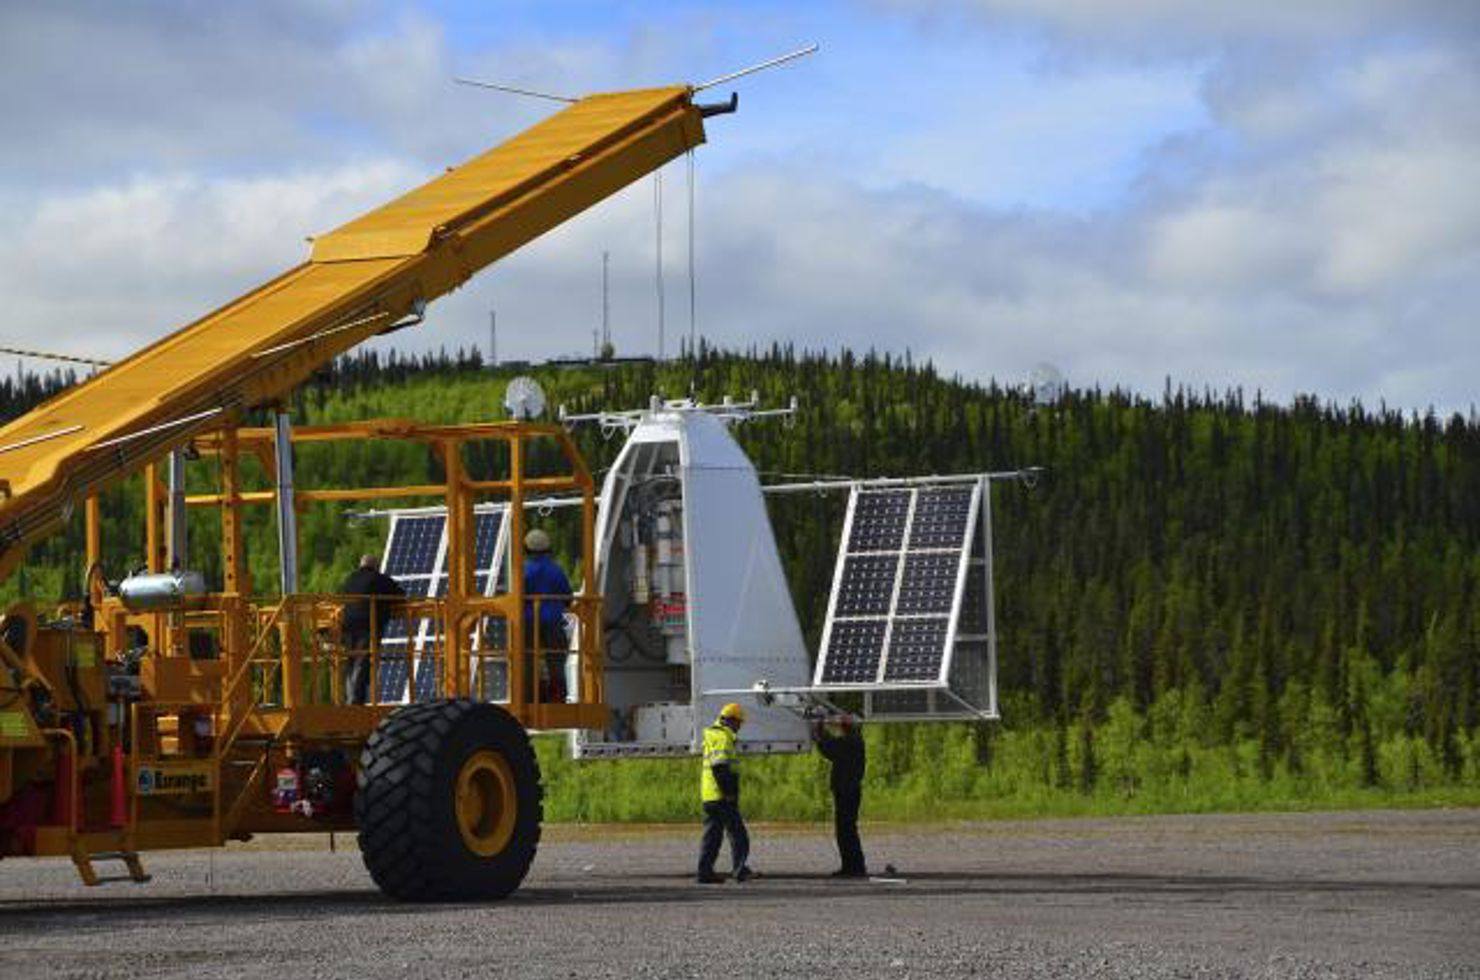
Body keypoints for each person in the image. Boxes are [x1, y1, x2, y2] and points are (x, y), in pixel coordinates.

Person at [697, 702, 756, 884]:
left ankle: (705, 872)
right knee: (738, 834)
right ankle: (740, 870)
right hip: (721, 796)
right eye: (738, 723)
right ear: (730, 721)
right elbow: (720, 768)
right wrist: (729, 793)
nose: (739, 727)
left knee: (712, 836)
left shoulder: (712, 735)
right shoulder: (723, 738)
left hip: (709, 795)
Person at [340, 553, 405, 704]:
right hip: (367, 625)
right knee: (362, 663)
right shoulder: (378, 579)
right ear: (376, 566)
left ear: (360, 565)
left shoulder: (350, 579)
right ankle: (356, 702)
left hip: (348, 626)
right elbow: (400, 595)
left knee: (351, 662)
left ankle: (350, 699)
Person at [813, 711, 868, 878]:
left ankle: (854, 868)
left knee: (846, 831)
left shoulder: (851, 741)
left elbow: (829, 748)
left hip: (847, 791)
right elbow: (833, 746)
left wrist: (818, 730)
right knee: (847, 830)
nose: (840, 727)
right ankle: (851, 867)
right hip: (848, 790)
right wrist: (822, 730)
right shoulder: (853, 740)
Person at [523, 528, 572, 702]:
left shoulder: (524, 570)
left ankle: (530, 696)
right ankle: (558, 696)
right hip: (553, 622)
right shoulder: (556, 570)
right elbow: (568, 596)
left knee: (527, 659)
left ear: (527, 549)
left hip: (528, 623)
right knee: (556, 659)